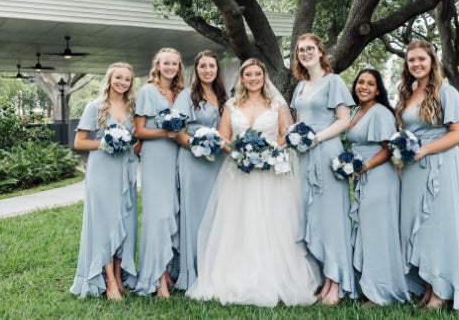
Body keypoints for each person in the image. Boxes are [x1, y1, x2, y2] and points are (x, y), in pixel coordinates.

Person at [186, 58, 320, 307]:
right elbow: (224, 137)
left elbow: (286, 135)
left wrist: (266, 152)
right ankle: (235, 274)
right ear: (242, 78)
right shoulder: (232, 105)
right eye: (248, 74)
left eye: (257, 74)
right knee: (238, 222)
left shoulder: (277, 104)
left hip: (269, 174)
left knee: (271, 222)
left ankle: (275, 275)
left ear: (264, 76)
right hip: (238, 173)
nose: (253, 78)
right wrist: (240, 153)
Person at [396, 40, 459, 313]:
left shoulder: (447, 92)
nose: (416, 64)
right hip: (411, 169)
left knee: (436, 227)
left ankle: (442, 291)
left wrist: (423, 150)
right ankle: (428, 286)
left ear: (432, 61)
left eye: (421, 59)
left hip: (438, 166)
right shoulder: (408, 92)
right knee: (415, 227)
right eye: (411, 60)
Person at [290, 33, 356, 305]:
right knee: (312, 214)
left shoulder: (334, 81)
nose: (305, 53)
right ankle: (325, 279)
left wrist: (316, 139)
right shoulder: (300, 86)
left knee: (332, 218)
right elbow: (298, 122)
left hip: (327, 153)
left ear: (320, 52)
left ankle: (337, 283)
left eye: (309, 49)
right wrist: (296, 139)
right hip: (304, 156)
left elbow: (344, 121)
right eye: (300, 50)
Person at [70, 63, 141, 301]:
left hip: (127, 170)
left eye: (127, 79)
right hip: (102, 171)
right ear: (110, 79)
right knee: (104, 224)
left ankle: (120, 275)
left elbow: (137, 142)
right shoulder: (95, 107)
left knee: (125, 222)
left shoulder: (134, 108)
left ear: (131, 83)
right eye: (118, 78)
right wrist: (105, 143)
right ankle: (108, 280)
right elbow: (79, 142)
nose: (122, 82)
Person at [345, 69, 410, 306]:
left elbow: (389, 148)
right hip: (364, 178)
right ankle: (368, 283)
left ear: (378, 90)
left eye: (370, 84)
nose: (363, 86)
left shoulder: (380, 113)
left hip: (380, 178)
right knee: (368, 233)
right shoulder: (354, 111)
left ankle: (381, 291)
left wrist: (365, 166)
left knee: (378, 235)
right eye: (360, 82)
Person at [173, 50, 228, 291]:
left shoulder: (224, 96)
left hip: (217, 162)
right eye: (203, 66)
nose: (207, 70)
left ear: (217, 70)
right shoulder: (187, 96)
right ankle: (191, 272)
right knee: (195, 215)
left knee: (217, 214)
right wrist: (197, 146)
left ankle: (215, 269)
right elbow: (177, 132)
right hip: (194, 162)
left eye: (211, 66)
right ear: (196, 69)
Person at [133, 48, 185, 298]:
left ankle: (167, 270)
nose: (170, 67)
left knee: (172, 213)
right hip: (155, 158)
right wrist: (165, 133)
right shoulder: (147, 92)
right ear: (157, 65)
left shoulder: (180, 93)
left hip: (177, 157)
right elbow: (139, 130)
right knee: (158, 216)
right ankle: (155, 276)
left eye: (174, 63)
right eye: (166, 63)